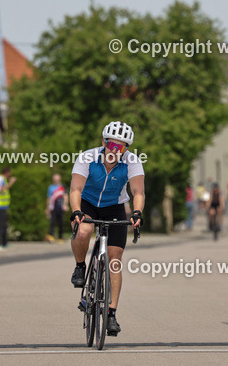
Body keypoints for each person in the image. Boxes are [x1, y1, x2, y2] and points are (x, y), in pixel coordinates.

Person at [69, 120, 145, 338]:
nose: (115, 151)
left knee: (114, 259)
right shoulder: (87, 157)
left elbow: (138, 191)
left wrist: (137, 212)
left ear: (126, 149)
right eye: (111, 146)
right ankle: (80, 266)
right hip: (88, 203)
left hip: (114, 206)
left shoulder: (132, 162)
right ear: (103, 143)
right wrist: (76, 210)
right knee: (83, 231)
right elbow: (75, 188)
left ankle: (111, 313)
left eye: (120, 147)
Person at [0, 167, 15, 249]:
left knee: (4, 225)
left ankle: (4, 242)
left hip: (3, 205)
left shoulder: (2, 179)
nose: (10, 174)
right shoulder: (1, 179)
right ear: (6, 172)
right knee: (1, 225)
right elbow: (3, 189)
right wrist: (11, 183)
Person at [46, 174, 67, 242]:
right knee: (52, 222)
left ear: (60, 179)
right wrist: (47, 208)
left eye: (57, 178)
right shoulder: (50, 187)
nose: (56, 180)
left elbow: (65, 196)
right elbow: (49, 198)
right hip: (53, 207)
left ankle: (60, 237)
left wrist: (65, 204)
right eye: (55, 178)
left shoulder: (62, 187)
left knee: (61, 223)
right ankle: (51, 236)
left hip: (61, 207)